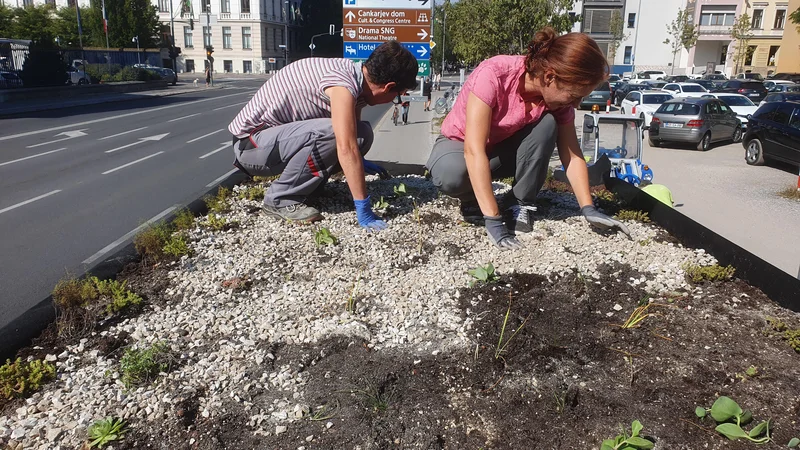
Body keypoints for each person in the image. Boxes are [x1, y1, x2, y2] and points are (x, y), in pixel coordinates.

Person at [425, 28, 631, 250]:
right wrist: (494, 221)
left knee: (548, 123)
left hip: (498, 154)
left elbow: (571, 154)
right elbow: (473, 150)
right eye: (574, 96)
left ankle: (520, 203)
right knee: (450, 174)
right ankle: (472, 201)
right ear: (550, 76)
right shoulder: (494, 75)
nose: (576, 105)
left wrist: (588, 208)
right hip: (461, 148)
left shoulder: (556, 101)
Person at [228, 41, 418, 228]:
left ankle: (307, 189)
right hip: (252, 144)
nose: (395, 100)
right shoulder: (344, 84)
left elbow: (354, 137)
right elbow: (346, 147)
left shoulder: (358, 83)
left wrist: (359, 161)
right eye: (398, 95)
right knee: (332, 133)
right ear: (388, 86)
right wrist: (364, 208)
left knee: (362, 134)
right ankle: (280, 199)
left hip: (274, 142)